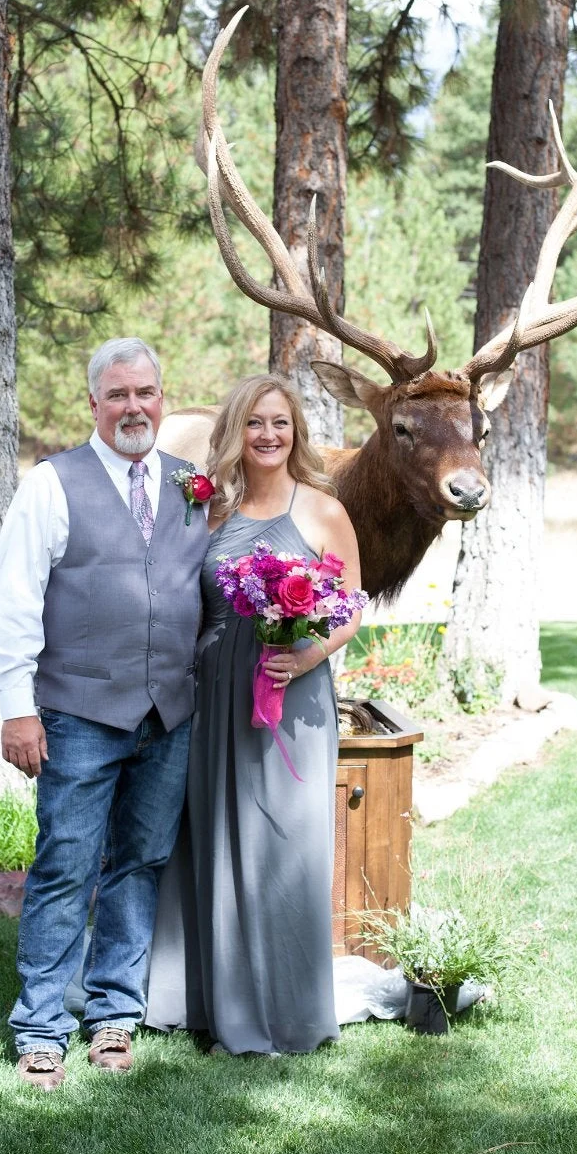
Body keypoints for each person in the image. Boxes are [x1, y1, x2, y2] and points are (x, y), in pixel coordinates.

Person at [0, 336, 208, 1090]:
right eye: (117, 395)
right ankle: (41, 1028)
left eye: (145, 392)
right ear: (94, 405)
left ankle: (114, 1015)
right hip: (78, 712)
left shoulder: (192, 485)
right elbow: (13, 603)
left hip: (168, 714)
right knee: (64, 869)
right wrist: (19, 711)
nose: (133, 407)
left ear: (162, 397)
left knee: (139, 866)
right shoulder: (52, 483)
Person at [145, 373, 365, 1055]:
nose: (268, 435)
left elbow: (350, 605)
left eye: (280, 423)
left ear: (296, 432)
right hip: (215, 697)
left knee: (288, 845)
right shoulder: (207, 512)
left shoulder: (324, 509)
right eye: (254, 423)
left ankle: (293, 1012)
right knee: (213, 842)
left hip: (290, 697)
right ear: (234, 432)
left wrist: (304, 659)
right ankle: (210, 1003)